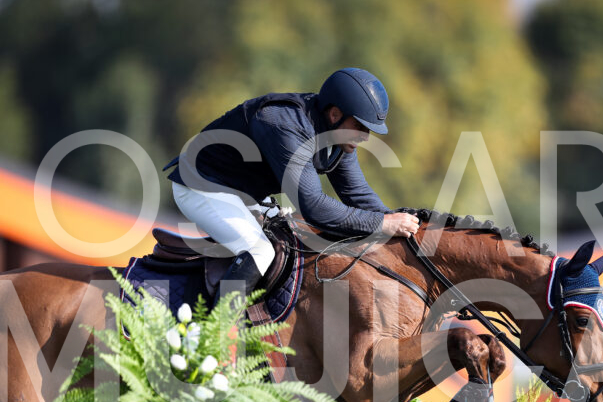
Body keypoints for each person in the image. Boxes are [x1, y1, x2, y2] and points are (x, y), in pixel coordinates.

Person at [163, 67, 420, 297]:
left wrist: (403, 227)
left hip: (243, 194)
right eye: (360, 127)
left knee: (291, 242)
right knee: (259, 251)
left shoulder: (338, 137)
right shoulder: (284, 124)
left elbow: (358, 195)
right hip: (201, 186)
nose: (365, 137)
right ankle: (218, 330)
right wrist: (383, 223)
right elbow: (313, 207)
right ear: (334, 114)